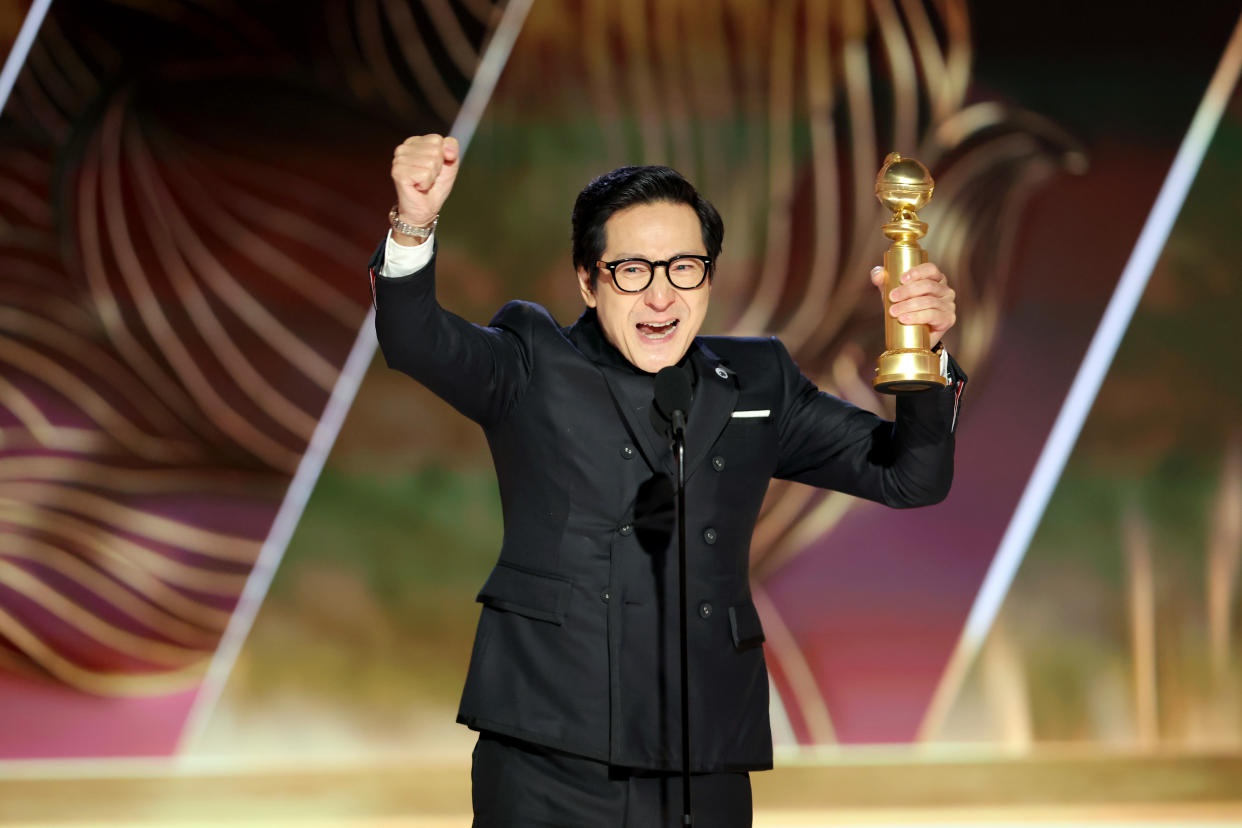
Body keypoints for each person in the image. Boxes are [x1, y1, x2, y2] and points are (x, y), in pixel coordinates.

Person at [370, 134, 965, 827]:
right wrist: (413, 224)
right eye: (631, 270)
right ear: (589, 281)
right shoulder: (532, 362)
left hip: (701, 761)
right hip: (551, 757)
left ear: (709, 278)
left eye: (684, 268)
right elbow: (414, 338)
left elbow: (909, 476)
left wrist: (923, 356)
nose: (660, 295)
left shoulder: (757, 382)